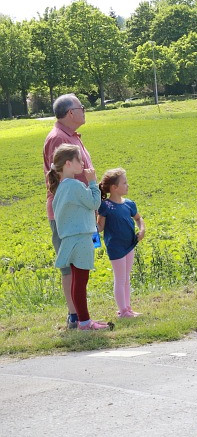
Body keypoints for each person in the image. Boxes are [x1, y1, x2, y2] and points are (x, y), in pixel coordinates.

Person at [43, 93, 95, 329]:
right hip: (69, 214)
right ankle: (76, 316)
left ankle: (80, 315)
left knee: (79, 265)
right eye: (81, 107)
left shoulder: (71, 135)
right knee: (71, 267)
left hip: (80, 210)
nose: (85, 110)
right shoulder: (58, 139)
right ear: (70, 112)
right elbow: (61, 181)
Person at [49, 144, 112, 330]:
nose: (83, 162)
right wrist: (92, 181)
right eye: (79, 159)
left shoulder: (61, 188)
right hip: (81, 237)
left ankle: (82, 320)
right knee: (81, 281)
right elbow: (94, 202)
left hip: (71, 238)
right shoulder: (75, 185)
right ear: (68, 164)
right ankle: (85, 322)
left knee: (77, 280)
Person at [97, 168, 145, 318]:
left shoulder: (129, 204)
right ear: (114, 188)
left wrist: (142, 229)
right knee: (120, 278)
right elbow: (100, 227)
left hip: (129, 244)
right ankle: (123, 311)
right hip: (115, 247)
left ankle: (127, 308)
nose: (127, 185)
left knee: (126, 277)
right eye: (124, 183)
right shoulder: (105, 206)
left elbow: (138, 218)